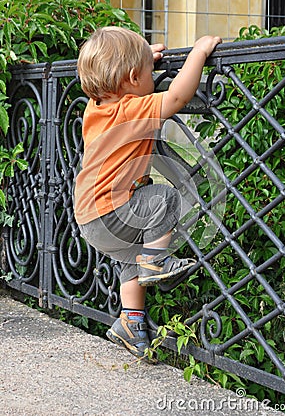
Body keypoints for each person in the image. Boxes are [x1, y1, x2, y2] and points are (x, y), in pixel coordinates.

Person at [74, 26, 222, 361]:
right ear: (130, 79)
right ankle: (156, 263)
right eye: (147, 73)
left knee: (130, 257)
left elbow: (123, 83)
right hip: (112, 210)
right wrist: (198, 52)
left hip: (89, 217)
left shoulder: (95, 108)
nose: (151, 76)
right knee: (164, 198)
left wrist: (142, 62)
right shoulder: (130, 110)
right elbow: (177, 97)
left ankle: (131, 322)